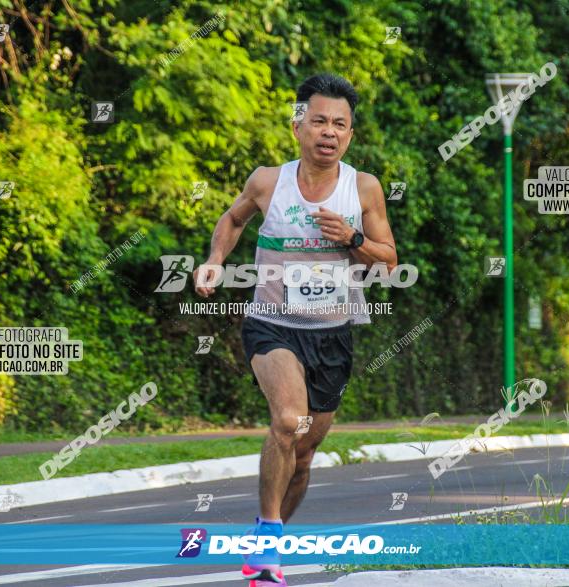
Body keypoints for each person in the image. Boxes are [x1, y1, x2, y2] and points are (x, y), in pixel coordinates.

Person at [194, 73, 398, 585]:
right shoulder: (268, 180)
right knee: (288, 421)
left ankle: (273, 532)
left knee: (304, 454)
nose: (329, 132)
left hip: (332, 334)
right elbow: (234, 218)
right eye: (320, 121)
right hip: (271, 326)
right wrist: (216, 259)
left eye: (341, 125)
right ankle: (266, 542)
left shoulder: (364, 188)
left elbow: (390, 264)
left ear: (350, 135)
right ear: (298, 125)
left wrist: (352, 237)